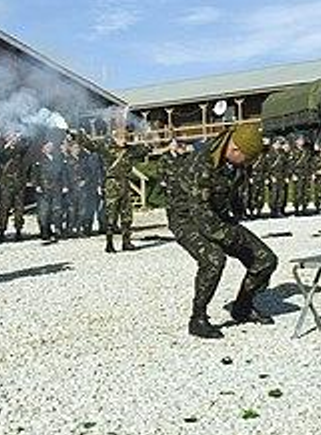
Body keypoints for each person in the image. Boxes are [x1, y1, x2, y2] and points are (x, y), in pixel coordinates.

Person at [163, 123, 277, 339]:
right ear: (235, 150)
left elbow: (230, 195)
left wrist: (236, 219)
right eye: (248, 159)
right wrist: (233, 238)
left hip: (218, 218)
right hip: (186, 220)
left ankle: (242, 308)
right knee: (214, 259)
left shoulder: (231, 162)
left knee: (266, 260)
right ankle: (197, 319)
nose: (250, 164)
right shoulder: (202, 163)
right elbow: (201, 216)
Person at [70, 128, 150, 252]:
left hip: (125, 182)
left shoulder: (129, 150)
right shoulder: (107, 149)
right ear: (115, 138)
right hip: (112, 183)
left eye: (125, 138)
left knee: (127, 215)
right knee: (111, 215)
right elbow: (90, 145)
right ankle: (109, 243)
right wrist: (77, 135)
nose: (124, 140)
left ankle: (126, 242)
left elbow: (143, 151)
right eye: (121, 138)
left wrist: (147, 143)